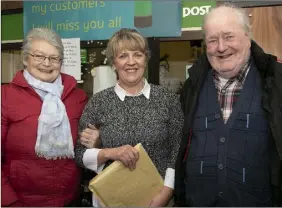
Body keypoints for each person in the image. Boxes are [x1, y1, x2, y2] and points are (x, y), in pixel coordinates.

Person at [174, 3, 282, 207]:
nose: (221, 47)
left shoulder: (277, 81)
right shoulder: (191, 87)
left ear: (247, 37)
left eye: (229, 36)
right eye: (213, 40)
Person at [74, 28, 183, 207]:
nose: (131, 62)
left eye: (137, 55)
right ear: (113, 63)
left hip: (158, 197)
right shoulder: (99, 102)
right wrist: (111, 152)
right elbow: (80, 154)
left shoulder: (168, 99)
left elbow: (177, 150)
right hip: (113, 199)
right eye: (123, 56)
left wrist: (166, 192)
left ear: (146, 59)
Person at [1, 28, 93, 207]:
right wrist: (10, 203)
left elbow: (85, 145)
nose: (46, 63)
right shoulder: (5, 97)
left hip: (70, 200)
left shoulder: (77, 97)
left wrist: (95, 141)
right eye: (38, 56)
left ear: (61, 62)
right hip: (21, 202)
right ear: (26, 59)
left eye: (53, 58)